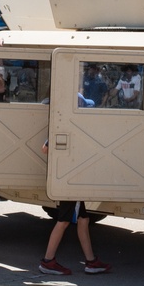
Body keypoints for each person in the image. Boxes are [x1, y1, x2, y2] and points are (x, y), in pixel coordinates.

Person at [38, 93, 111, 276]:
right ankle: (48, 261)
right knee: (63, 221)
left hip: (66, 179)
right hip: (72, 182)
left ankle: (91, 261)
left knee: (83, 220)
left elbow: (45, 149)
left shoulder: (61, 126)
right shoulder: (75, 129)